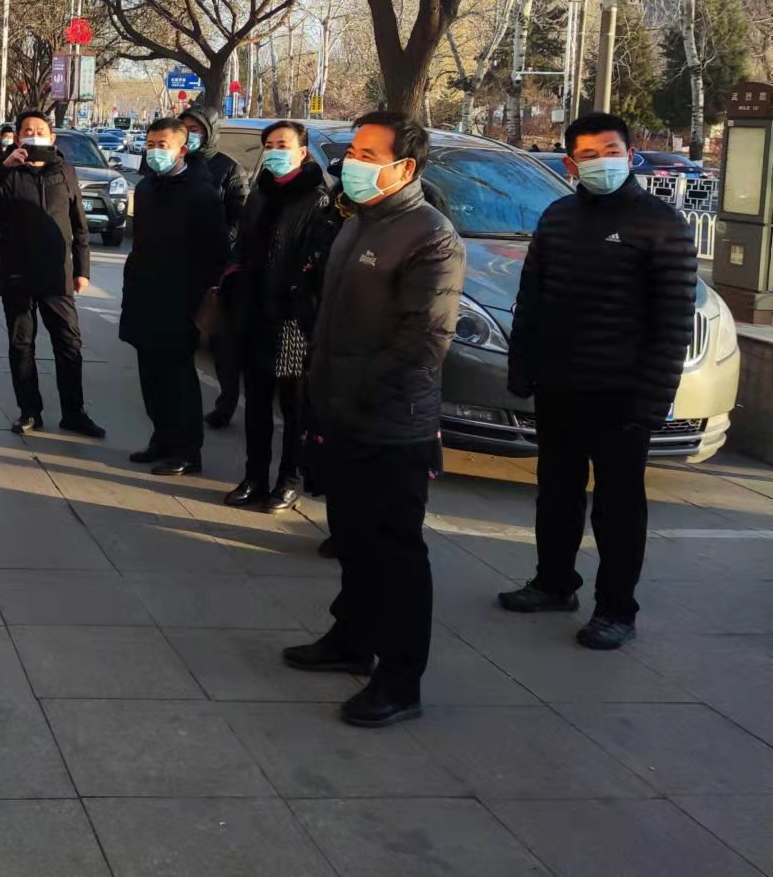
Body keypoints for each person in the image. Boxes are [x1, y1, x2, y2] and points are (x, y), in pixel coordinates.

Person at [282, 111, 464, 728]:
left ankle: (400, 680)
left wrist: (357, 391)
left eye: (367, 154)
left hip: (391, 421)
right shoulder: (359, 220)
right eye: (352, 152)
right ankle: (352, 638)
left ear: (403, 167)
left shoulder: (430, 235)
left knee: (396, 552)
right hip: (341, 410)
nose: (351, 165)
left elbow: (423, 341)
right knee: (353, 537)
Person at [499, 111, 697, 650]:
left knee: (618, 507)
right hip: (560, 386)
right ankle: (553, 582)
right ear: (571, 164)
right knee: (556, 493)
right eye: (588, 155)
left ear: (630, 155)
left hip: (622, 395)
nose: (601, 162)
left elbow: (673, 323)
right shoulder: (558, 217)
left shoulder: (660, 224)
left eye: (611, 152)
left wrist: (653, 399)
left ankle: (616, 609)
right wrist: (523, 367)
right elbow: (532, 299)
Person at [224, 120, 342, 510]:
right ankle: (254, 476)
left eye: (283, 145)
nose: (275, 151)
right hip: (254, 310)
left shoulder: (318, 200)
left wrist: (298, 299)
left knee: (293, 408)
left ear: (302, 152)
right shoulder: (260, 193)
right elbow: (243, 244)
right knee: (256, 402)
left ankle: (288, 479)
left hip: (291, 318)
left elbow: (315, 261)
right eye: (270, 144)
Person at [0, 111, 105, 437]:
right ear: (18, 137)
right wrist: (5, 166)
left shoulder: (64, 171)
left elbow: (79, 223)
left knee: (69, 344)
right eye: (27, 130)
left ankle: (74, 413)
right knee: (21, 345)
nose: (34, 134)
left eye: (40, 130)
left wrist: (82, 269)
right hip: (16, 273)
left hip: (57, 274)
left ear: (52, 137)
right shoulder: (6, 171)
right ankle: (29, 411)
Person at [120, 118, 229, 476]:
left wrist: (197, 301)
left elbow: (216, 252)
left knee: (178, 378)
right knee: (150, 374)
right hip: (145, 295)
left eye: (162, 145)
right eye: (150, 144)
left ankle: (187, 450)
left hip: (181, 301)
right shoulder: (147, 187)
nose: (154, 151)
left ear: (182, 149)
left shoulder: (202, 193)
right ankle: (162, 439)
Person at [179, 105, 250, 428]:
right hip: (179, 265)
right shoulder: (175, 163)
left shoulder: (228, 168)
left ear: (209, 132)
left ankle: (226, 403)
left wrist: (217, 241)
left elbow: (239, 218)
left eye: (196, 129)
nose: (189, 135)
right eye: (185, 128)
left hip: (216, 268)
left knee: (221, 341)